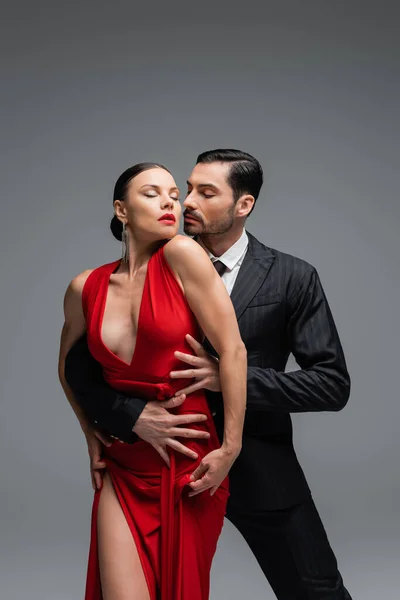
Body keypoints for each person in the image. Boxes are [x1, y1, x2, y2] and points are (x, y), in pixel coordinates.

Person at [65, 149, 353, 599]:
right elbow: (82, 367)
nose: (186, 203)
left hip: (256, 464)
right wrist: (125, 416)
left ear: (244, 205)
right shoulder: (158, 262)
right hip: (159, 458)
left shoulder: (293, 277)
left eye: (204, 192)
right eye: (187, 189)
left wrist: (228, 381)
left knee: (315, 591)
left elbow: (332, 383)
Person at [58, 162, 247, 600]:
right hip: (123, 462)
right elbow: (68, 367)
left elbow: (233, 350)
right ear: (121, 209)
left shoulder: (183, 254)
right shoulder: (85, 286)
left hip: (187, 460)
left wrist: (231, 448)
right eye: (151, 193)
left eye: (173, 195)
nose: (169, 202)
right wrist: (90, 434)